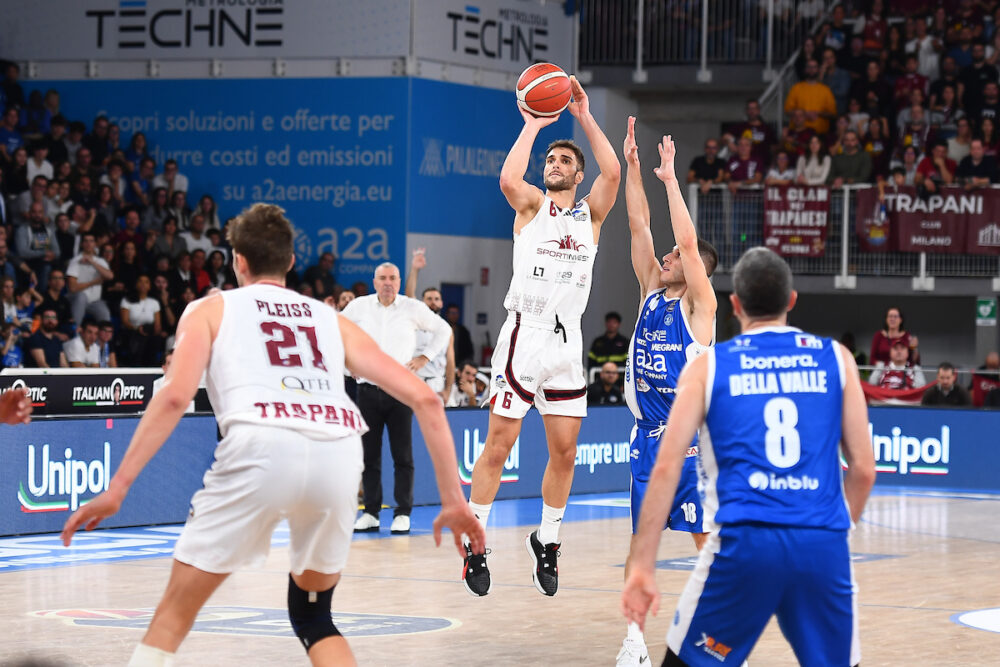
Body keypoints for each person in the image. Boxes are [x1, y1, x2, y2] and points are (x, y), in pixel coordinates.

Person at [60, 203, 485, 667]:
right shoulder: (333, 320)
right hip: (338, 454)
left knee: (173, 616)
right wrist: (453, 501)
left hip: (259, 446)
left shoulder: (208, 309)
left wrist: (117, 488)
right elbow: (425, 400)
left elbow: (174, 397)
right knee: (314, 618)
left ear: (237, 260)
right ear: (288, 262)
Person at [622, 247, 876, 667]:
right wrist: (829, 531)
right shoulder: (838, 359)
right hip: (820, 545)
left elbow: (666, 467)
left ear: (735, 305)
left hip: (745, 545)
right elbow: (864, 470)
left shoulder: (710, 367)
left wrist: (644, 567)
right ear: (791, 301)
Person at [462, 75, 620, 598]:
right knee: (499, 445)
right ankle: (476, 542)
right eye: (550, 161)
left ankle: (547, 540)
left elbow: (613, 171)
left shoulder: (589, 215)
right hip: (523, 335)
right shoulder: (531, 206)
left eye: (564, 162)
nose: (555, 166)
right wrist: (532, 125)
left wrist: (583, 115)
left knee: (566, 452)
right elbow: (508, 177)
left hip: (565, 343)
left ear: (577, 174)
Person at [616, 120, 718, 667]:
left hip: (694, 447)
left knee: (709, 552)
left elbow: (684, 241)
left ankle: (715, 635)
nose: (666, 257)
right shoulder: (652, 291)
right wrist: (633, 168)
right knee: (641, 547)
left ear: (695, 267)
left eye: (676, 257)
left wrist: (671, 180)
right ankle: (634, 640)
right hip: (647, 440)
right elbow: (637, 223)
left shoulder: (700, 307)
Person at [341, 262, 452, 535]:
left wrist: (425, 357)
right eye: (382, 278)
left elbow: (444, 330)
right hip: (367, 390)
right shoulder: (358, 307)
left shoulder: (412, 308)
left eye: (393, 278)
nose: (388, 282)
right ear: (374, 281)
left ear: (399, 281)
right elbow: (336, 332)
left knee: (402, 455)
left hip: (401, 390)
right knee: (369, 455)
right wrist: (346, 365)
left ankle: (403, 512)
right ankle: (371, 512)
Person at [404, 248, 455, 404]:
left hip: (436, 383)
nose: (433, 301)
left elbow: (451, 362)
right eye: (429, 298)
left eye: (436, 298)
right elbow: (409, 295)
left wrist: (447, 390)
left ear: (441, 303)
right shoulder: (415, 319)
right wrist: (415, 269)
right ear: (422, 301)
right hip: (413, 380)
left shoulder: (446, 329)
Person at [66, 232, 114, 326]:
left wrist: (92, 262)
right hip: (76, 298)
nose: (88, 244)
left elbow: (110, 276)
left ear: (95, 244)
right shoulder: (75, 261)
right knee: (81, 297)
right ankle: (75, 332)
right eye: (86, 241)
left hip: (94, 301)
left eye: (91, 241)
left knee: (105, 315)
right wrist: (93, 282)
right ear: (82, 244)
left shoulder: (100, 261)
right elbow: (72, 288)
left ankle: (104, 340)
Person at [784, 58, 837, 136]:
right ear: (805, 69)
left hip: (820, 133)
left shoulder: (826, 90)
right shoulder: (796, 88)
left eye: (814, 67)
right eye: (809, 67)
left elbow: (833, 114)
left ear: (818, 70)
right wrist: (804, 114)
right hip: (799, 133)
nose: (812, 69)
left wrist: (818, 113)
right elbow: (788, 111)